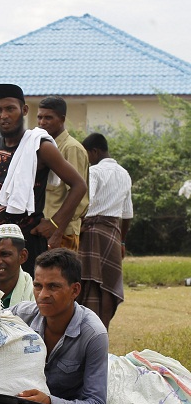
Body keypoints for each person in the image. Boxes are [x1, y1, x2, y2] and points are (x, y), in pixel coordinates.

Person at [0, 84, 87, 275]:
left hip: (29, 240)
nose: (4, 115)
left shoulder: (39, 146)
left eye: (10, 109)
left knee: (31, 300)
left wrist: (55, 226)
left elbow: (79, 185)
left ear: (23, 110)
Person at [14, 249, 109, 404]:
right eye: (37, 286)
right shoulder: (21, 316)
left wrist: (50, 402)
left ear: (75, 290)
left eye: (53, 287)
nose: (42, 295)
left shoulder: (93, 334)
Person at [78, 133, 133, 329]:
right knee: (108, 286)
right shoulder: (124, 173)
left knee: (87, 283)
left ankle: (87, 331)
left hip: (91, 231)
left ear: (94, 152)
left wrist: (78, 226)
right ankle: (103, 330)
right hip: (113, 233)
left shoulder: (93, 172)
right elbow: (127, 215)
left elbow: (85, 202)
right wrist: (122, 242)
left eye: (86, 154)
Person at [37, 96, 90, 252]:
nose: (42, 122)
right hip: (43, 229)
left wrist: (57, 230)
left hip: (61, 233)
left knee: (61, 276)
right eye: (39, 117)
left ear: (62, 119)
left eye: (48, 118)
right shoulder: (43, 146)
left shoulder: (71, 148)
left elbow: (76, 195)